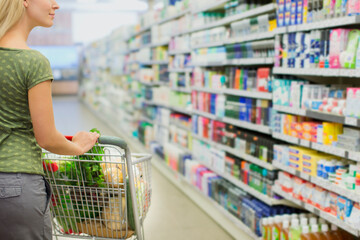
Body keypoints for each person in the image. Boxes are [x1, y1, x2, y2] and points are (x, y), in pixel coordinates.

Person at [0, 0, 100, 239]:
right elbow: (46, 138)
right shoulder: (32, 61)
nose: (56, 5)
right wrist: (78, 146)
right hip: (17, 181)